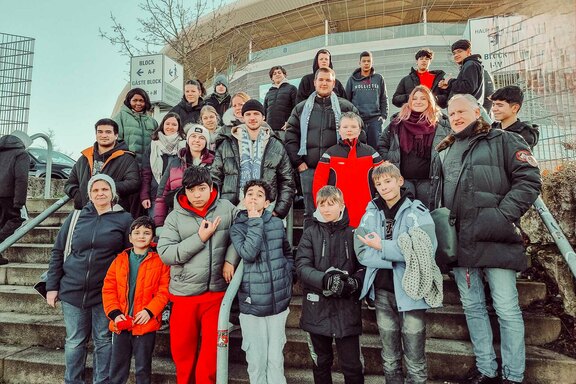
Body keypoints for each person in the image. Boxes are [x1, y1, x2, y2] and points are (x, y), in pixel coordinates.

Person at [430, 94, 541, 384]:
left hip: (497, 238)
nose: (455, 117)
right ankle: (486, 369)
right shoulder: (445, 150)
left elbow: (529, 179)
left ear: (477, 111)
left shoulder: (504, 140)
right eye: (451, 113)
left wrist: (502, 215)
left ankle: (513, 376)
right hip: (460, 244)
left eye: (461, 111)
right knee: (473, 307)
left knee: (506, 308)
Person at [355, 162, 442, 384]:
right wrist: (399, 254)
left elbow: (425, 250)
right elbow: (362, 251)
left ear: (400, 181)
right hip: (382, 292)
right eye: (379, 183)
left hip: (412, 292)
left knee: (414, 358)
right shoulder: (370, 212)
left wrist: (382, 248)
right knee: (390, 357)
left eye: (388, 181)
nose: (384, 187)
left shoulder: (417, 211)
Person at [46, 174, 133, 384]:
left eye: (105, 189)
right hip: (72, 290)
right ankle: (72, 381)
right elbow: (58, 251)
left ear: (113, 193)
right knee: (75, 341)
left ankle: (101, 381)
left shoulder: (125, 219)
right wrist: (52, 286)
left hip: (105, 293)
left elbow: (128, 257)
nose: (100, 193)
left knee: (103, 341)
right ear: (89, 195)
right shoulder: (75, 217)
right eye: (95, 190)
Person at [157, 166, 238, 384]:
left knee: (212, 355)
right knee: (182, 352)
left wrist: (230, 259)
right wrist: (200, 238)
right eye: (191, 190)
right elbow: (166, 254)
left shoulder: (227, 208)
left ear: (210, 187)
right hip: (184, 295)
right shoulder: (175, 217)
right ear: (185, 191)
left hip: (216, 295)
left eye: (202, 189)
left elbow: (241, 233)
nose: (197, 195)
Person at [296, 185, 365, 384]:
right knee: (321, 364)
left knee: (352, 367)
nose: (326, 209)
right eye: (322, 204)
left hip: (347, 311)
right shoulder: (310, 233)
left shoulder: (354, 233)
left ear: (342, 205)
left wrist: (354, 283)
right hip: (317, 309)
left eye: (331, 204)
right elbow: (301, 266)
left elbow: (364, 267)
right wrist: (324, 279)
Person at [230, 180, 294, 384]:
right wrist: (255, 220)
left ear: (267, 203)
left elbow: (287, 251)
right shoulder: (238, 227)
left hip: (278, 303)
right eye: (250, 194)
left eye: (259, 195)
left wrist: (287, 272)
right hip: (253, 305)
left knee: (275, 359)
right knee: (256, 361)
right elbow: (249, 253)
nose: (254, 198)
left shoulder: (276, 223)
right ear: (243, 199)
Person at [285, 67, 359, 224]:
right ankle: (312, 248)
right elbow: (291, 136)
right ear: (314, 82)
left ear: (334, 83)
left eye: (328, 80)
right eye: (321, 79)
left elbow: (359, 134)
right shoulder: (300, 108)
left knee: (339, 212)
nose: (324, 83)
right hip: (309, 169)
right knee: (311, 215)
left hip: (337, 169)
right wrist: (298, 163)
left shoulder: (346, 107)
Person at [102, 216, 170, 384]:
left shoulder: (161, 261)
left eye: (146, 233)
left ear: (152, 236)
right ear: (130, 237)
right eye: (137, 232)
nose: (141, 236)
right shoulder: (119, 260)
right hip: (122, 322)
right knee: (117, 367)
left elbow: (164, 291)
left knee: (143, 368)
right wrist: (115, 314)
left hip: (145, 323)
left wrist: (150, 311)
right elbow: (108, 289)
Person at [211, 99, 295, 219]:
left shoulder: (276, 145)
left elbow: (287, 180)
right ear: (243, 117)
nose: (252, 117)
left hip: (267, 210)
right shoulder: (227, 143)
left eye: (256, 114)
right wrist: (217, 207)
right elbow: (215, 177)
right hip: (232, 209)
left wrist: (278, 211)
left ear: (263, 117)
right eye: (248, 114)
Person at [378, 85, 451, 208]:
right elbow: (382, 144)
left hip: (429, 181)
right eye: (415, 98)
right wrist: (390, 160)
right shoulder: (397, 122)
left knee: (426, 214)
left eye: (423, 98)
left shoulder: (441, 124)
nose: (418, 102)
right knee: (405, 214)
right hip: (403, 179)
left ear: (429, 101)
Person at [312, 111, 383, 227]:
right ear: (339, 130)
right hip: (338, 214)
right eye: (345, 127)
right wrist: (322, 208)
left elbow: (384, 178)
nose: (349, 130)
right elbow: (318, 184)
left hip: (366, 211)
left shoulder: (371, 153)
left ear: (360, 130)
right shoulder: (330, 154)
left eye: (354, 126)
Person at [64, 118, 140, 215]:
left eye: (108, 132)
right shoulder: (84, 158)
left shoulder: (127, 158)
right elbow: (69, 184)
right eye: (100, 132)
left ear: (116, 135)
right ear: (96, 135)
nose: (104, 135)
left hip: (113, 213)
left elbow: (134, 183)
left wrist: (106, 189)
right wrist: (79, 196)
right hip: (86, 212)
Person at [155, 124, 215, 227]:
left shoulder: (214, 162)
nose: (197, 140)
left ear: (206, 142)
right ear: (187, 139)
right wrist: (159, 225)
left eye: (201, 138)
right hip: (178, 217)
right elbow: (162, 194)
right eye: (193, 136)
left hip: (206, 218)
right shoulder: (175, 162)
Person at [140, 112, 186, 218]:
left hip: (178, 194)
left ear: (179, 127)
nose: (170, 127)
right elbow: (146, 174)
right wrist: (144, 196)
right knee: (157, 225)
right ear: (162, 125)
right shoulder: (153, 145)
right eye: (167, 124)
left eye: (174, 125)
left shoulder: (184, 145)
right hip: (155, 193)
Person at [438, 40, 491, 122]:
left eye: (459, 51)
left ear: (468, 51)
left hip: (470, 109)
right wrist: (448, 86)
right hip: (472, 108)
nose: (456, 55)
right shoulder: (471, 64)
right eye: (454, 53)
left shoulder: (470, 64)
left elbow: (468, 87)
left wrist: (450, 81)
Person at [345, 51, 389, 149]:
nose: (366, 63)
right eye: (364, 61)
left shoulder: (379, 78)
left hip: (375, 120)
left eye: (368, 61)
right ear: (359, 63)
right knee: (358, 149)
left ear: (372, 62)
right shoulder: (352, 80)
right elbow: (346, 100)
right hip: (358, 120)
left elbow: (383, 98)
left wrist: (383, 116)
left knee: (377, 148)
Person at [0, 132, 30, 265]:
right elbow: (21, 178)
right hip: (8, 195)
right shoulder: (21, 154)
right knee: (17, 219)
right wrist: (19, 202)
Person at [113, 87, 158, 166]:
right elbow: (116, 141)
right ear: (129, 101)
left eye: (141, 101)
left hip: (147, 165)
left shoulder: (152, 121)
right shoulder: (120, 117)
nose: (138, 103)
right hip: (128, 164)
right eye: (135, 100)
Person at [263, 65, 297, 137]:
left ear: (284, 75)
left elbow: (296, 108)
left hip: (285, 129)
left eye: (279, 72)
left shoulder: (292, 88)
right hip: (270, 131)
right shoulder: (268, 93)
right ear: (272, 78)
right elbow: (264, 112)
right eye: (274, 74)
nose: (277, 74)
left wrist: (290, 122)